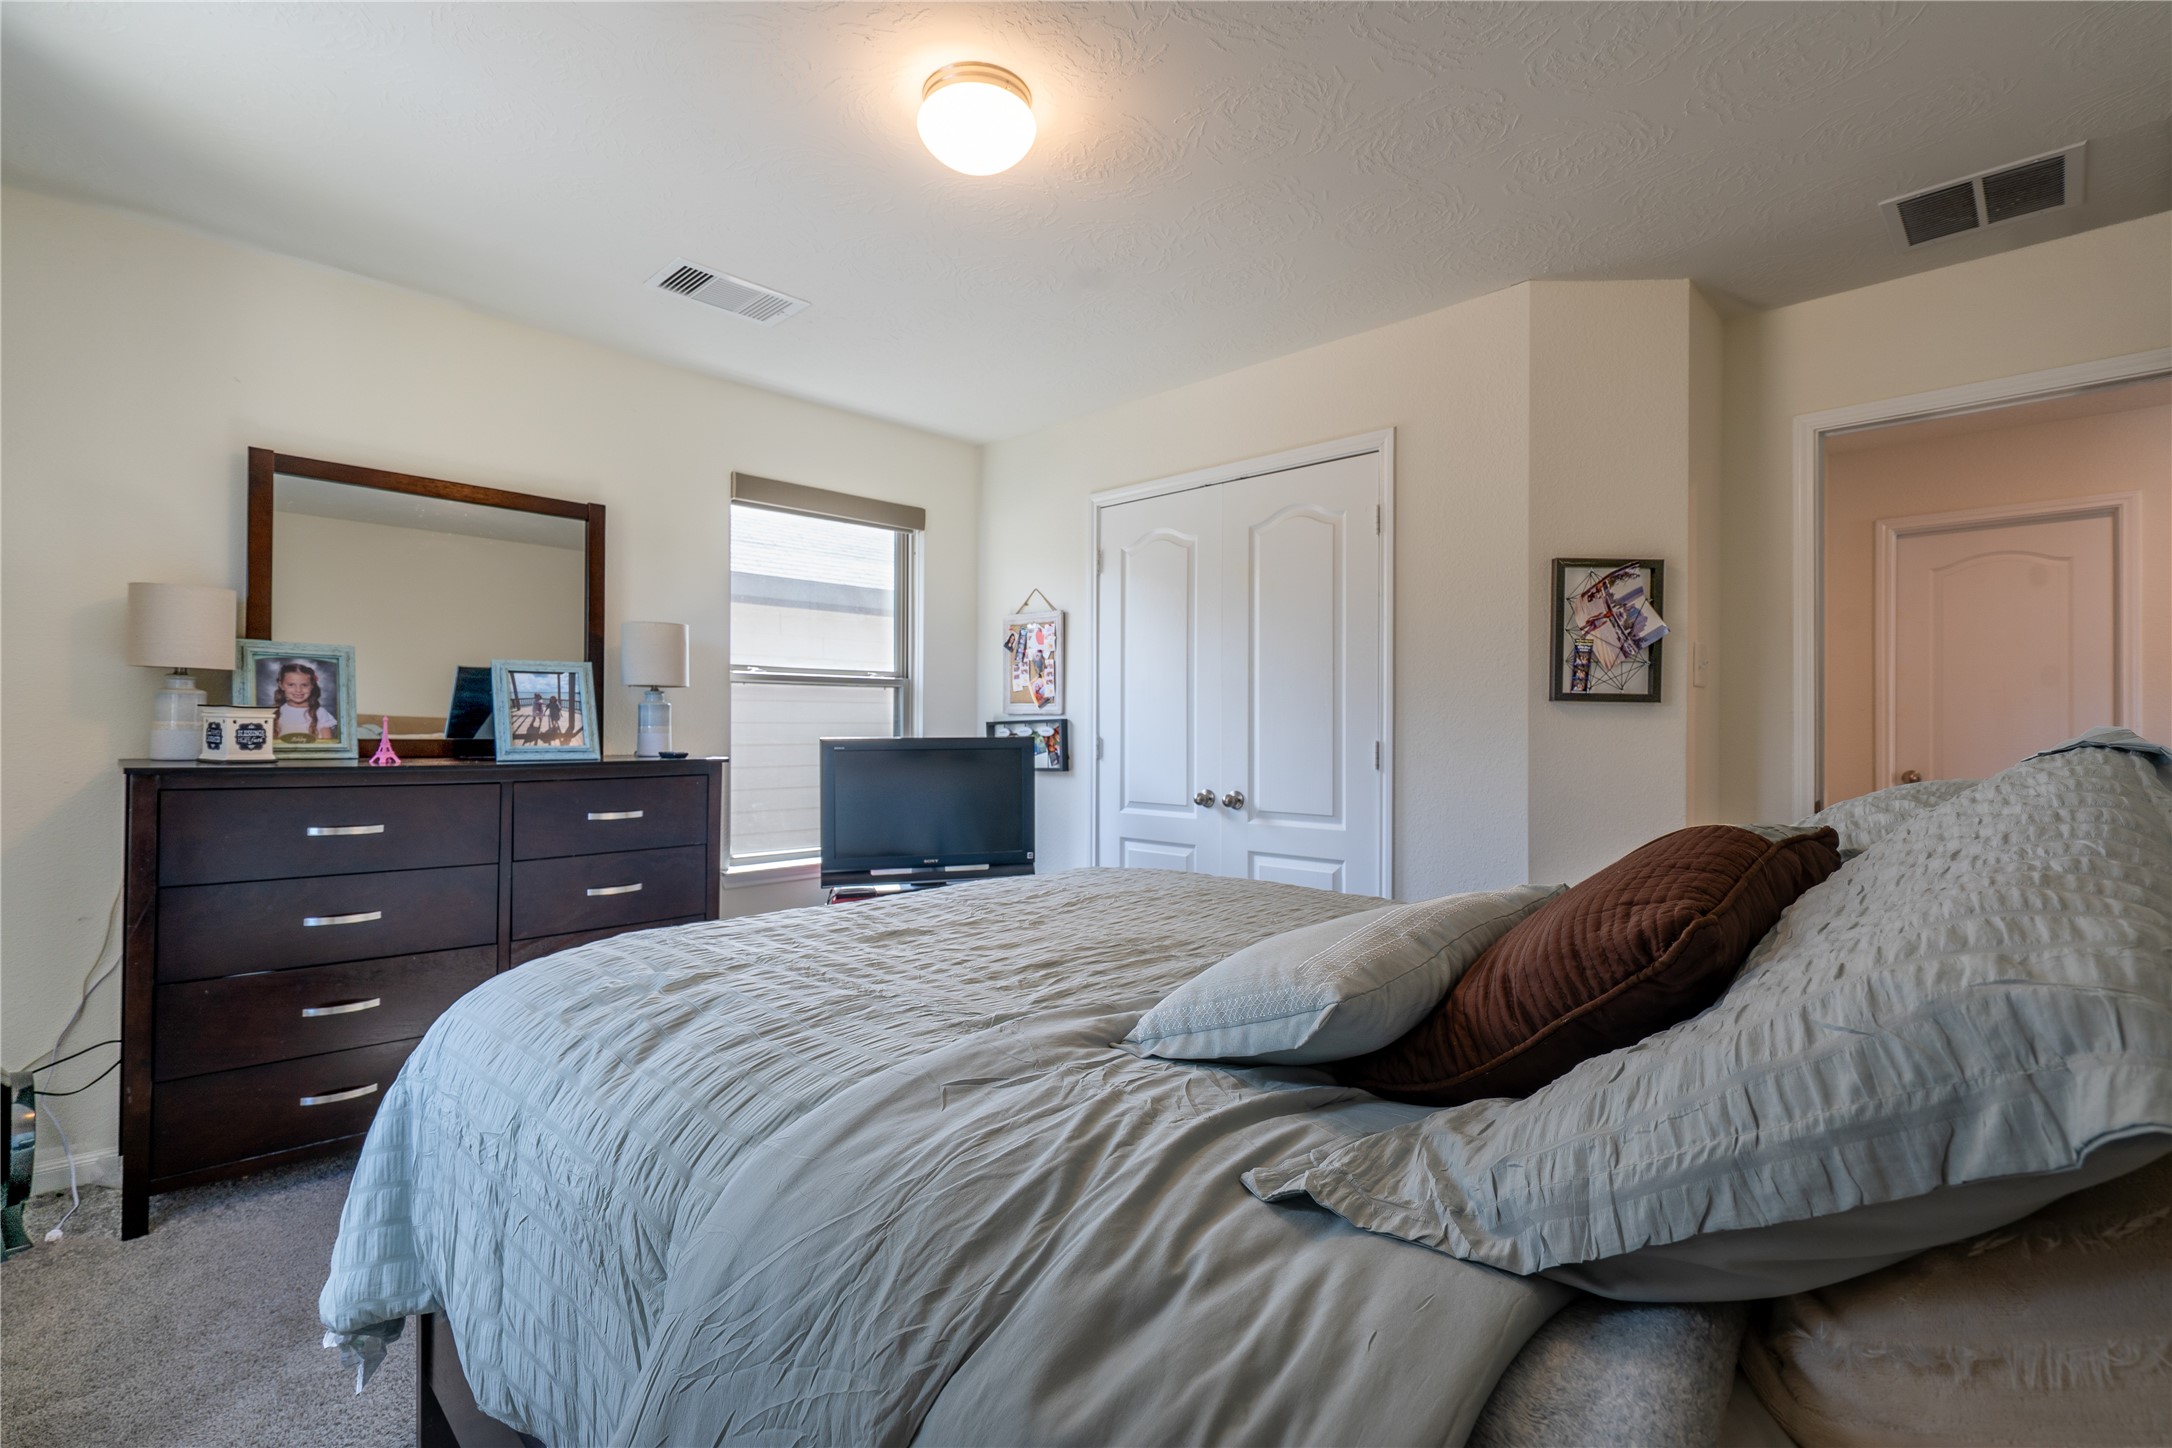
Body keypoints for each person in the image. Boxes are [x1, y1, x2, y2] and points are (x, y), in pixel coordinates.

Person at [270, 660, 337, 742]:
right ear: (281, 685)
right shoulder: (274, 713)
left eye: (304, 685)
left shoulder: (320, 713)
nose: (298, 690)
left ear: (312, 686)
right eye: (291, 685)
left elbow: (328, 744)